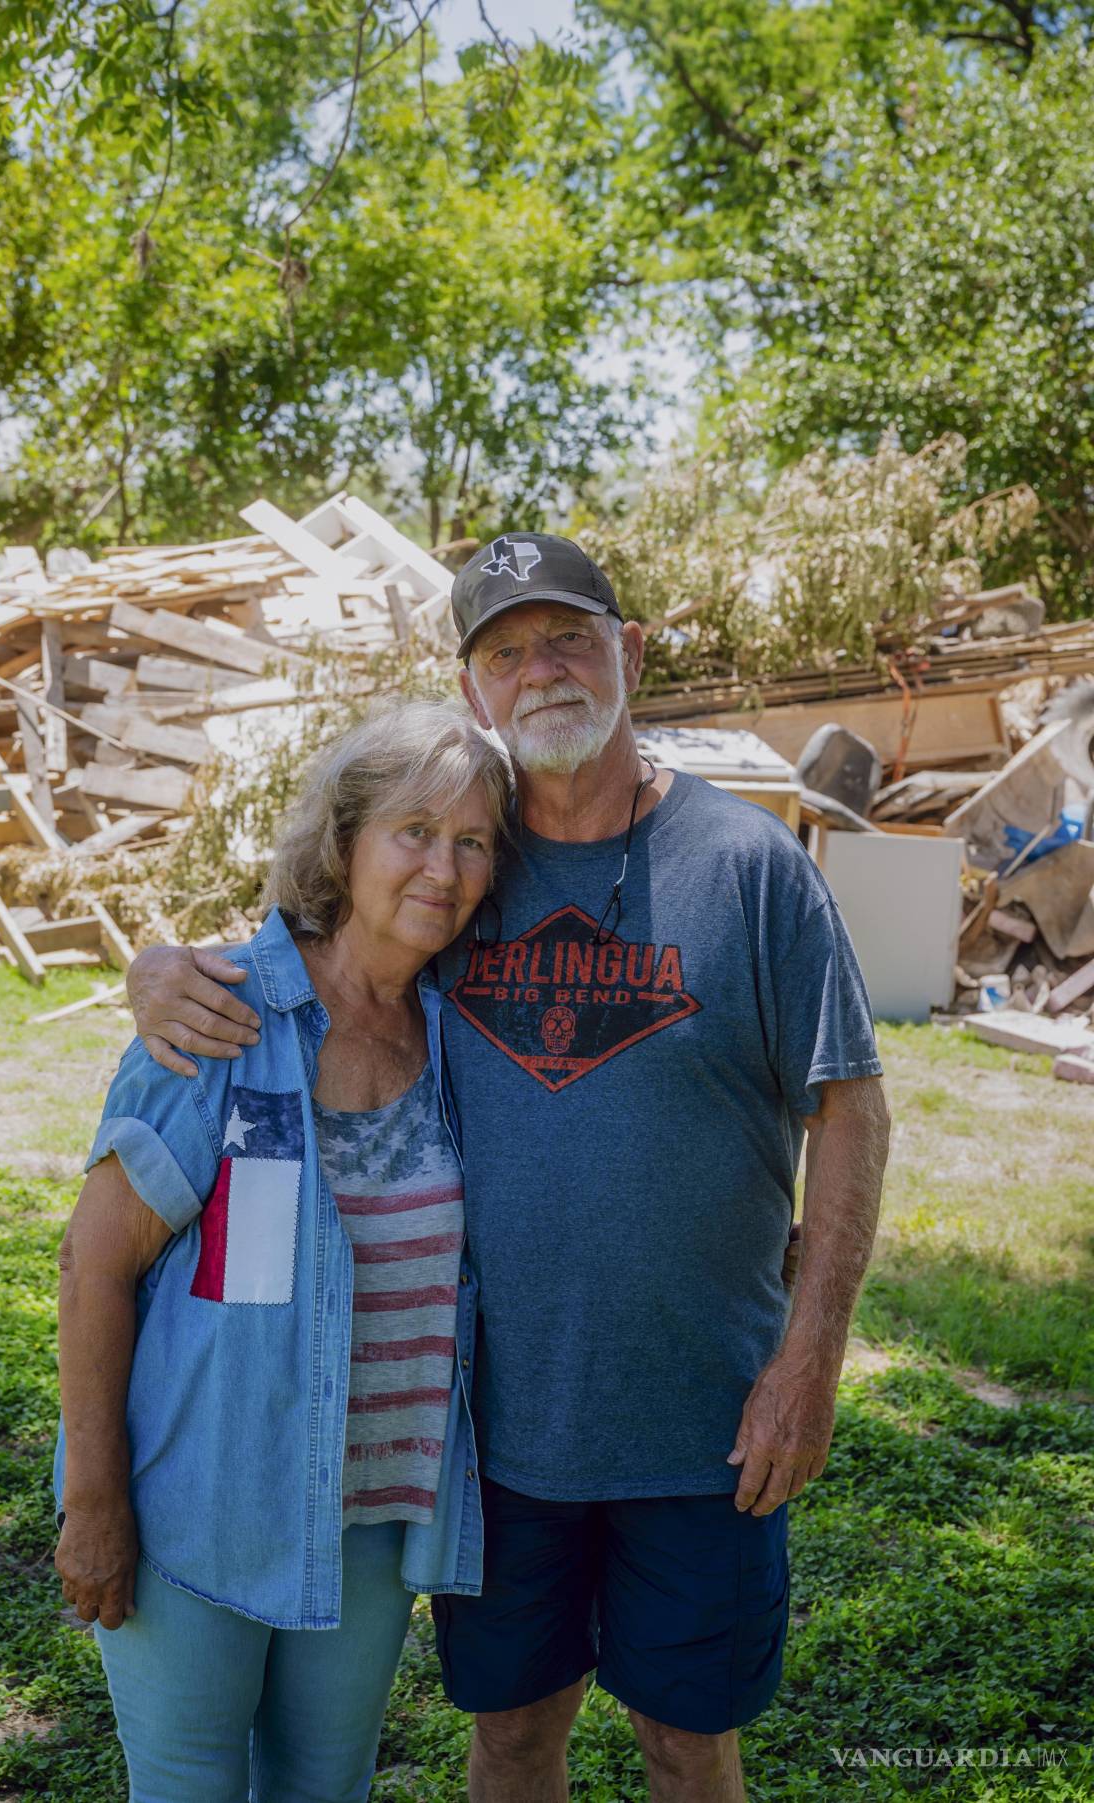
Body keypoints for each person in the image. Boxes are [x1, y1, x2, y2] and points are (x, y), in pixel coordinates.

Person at [125, 533, 893, 1803]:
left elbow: (852, 1111)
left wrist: (811, 1359)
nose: (541, 672)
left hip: (706, 1422)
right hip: (491, 1435)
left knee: (689, 1745)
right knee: (514, 1737)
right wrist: (153, 967)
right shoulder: (457, 867)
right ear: (475, 688)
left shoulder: (750, 869)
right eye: (504, 652)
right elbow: (299, 952)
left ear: (628, 653)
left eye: (569, 638)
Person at [54, 701, 512, 1803]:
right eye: (414, 830)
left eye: (474, 840)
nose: (443, 868)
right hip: (198, 1504)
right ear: (344, 842)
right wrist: (97, 1503)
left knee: (326, 1785)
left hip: (366, 1517)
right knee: (189, 1786)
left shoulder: (464, 1037)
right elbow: (95, 1267)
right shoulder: (223, 1016)